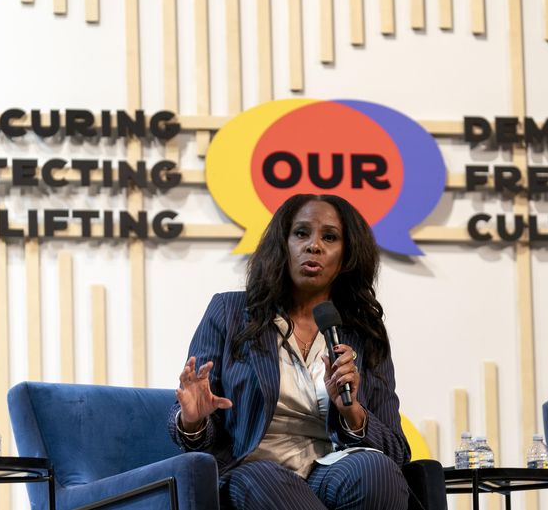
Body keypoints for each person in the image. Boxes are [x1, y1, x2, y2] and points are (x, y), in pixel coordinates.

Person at [167, 193, 410, 510]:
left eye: (330, 237)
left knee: (377, 473)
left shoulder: (364, 335)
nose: (314, 246)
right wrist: (193, 420)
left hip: (331, 471)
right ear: (283, 244)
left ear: (346, 256)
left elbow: (397, 451)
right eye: (301, 233)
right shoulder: (229, 312)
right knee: (266, 478)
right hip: (254, 471)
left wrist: (353, 413)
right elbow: (191, 433)